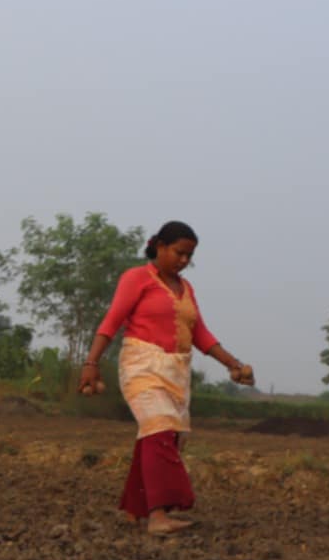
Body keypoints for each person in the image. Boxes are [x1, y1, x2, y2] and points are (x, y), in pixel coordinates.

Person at [80, 221, 254, 534]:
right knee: (160, 427)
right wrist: (91, 362)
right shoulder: (136, 278)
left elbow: (199, 333)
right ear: (159, 246)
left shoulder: (186, 289)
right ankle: (159, 516)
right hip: (141, 365)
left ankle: (137, 508)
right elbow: (111, 321)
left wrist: (232, 363)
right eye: (179, 253)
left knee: (162, 435)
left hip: (177, 369)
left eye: (190, 256)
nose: (184, 261)